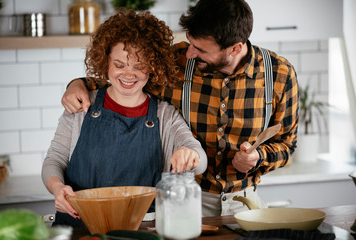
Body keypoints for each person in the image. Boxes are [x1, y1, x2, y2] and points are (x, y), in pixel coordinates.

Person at [61, 0, 299, 217]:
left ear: (235, 48)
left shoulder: (278, 75)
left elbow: (287, 143)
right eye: (190, 40)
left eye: (201, 50)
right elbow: (124, 80)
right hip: (184, 200)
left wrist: (259, 158)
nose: (190, 52)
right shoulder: (176, 62)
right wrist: (77, 84)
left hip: (245, 203)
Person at [41, 9, 207, 227]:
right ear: (105, 61)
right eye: (119, 65)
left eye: (139, 67)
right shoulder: (82, 105)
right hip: (80, 225)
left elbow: (200, 161)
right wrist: (57, 188)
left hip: (141, 229)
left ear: (153, 67)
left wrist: (190, 154)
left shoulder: (164, 115)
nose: (129, 75)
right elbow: (55, 160)